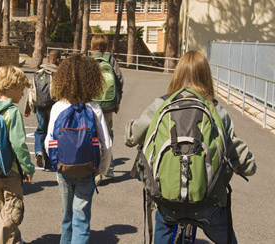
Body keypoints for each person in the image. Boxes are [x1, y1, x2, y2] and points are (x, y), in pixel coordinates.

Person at [124, 50, 257, 244]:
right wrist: (246, 166)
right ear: (206, 77)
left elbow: (131, 137)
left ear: (177, 74)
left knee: (164, 221)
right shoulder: (215, 108)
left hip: (167, 202)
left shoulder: (162, 103)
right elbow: (242, 158)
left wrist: (131, 128)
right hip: (208, 203)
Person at [45, 54, 112, 244]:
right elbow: (106, 144)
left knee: (66, 215)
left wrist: (56, 166)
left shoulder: (58, 107)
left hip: (63, 170)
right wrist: (102, 170)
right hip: (87, 169)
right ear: (92, 80)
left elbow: (49, 141)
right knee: (81, 217)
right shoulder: (94, 108)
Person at [0, 65, 35, 244]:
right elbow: (19, 145)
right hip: (10, 168)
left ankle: (15, 241)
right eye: (20, 89)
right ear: (11, 87)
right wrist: (28, 167)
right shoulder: (12, 112)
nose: (22, 94)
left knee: (5, 207)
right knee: (13, 211)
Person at [90, 34, 124, 183]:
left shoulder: (89, 60)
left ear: (92, 46)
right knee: (107, 135)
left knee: (92, 136)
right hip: (108, 104)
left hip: (91, 104)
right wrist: (117, 100)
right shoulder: (111, 59)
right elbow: (120, 80)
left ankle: (95, 171)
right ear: (106, 46)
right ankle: (108, 168)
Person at [24, 50, 61, 171]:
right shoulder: (58, 74)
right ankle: (51, 162)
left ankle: (39, 151)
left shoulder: (37, 73)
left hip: (39, 106)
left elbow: (31, 91)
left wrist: (27, 109)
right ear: (58, 60)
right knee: (53, 133)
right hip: (53, 107)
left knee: (40, 131)